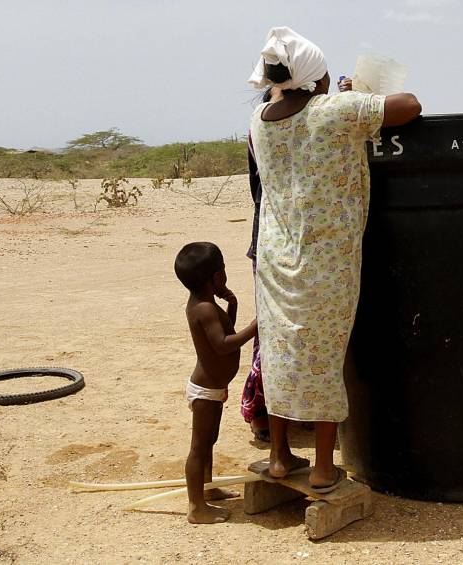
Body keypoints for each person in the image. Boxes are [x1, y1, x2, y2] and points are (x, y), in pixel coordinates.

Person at [247, 27, 422, 492]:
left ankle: (280, 455)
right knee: (324, 358)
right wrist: (354, 94)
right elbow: (409, 105)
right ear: (316, 76)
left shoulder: (259, 119)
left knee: (282, 354)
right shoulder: (337, 111)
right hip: (326, 262)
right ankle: (324, 465)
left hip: (275, 257)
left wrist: (339, 96)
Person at [174, 242, 258, 523]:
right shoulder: (205, 309)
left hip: (213, 388)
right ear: (217, 277)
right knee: (199, 446)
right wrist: (255, 327)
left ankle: (207, 490)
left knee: (210, 439)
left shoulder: (206, 305)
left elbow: (225, 330)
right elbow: (223, 344)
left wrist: (232, 304)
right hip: (205, 391)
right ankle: (196, 507)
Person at [240, 86, 282, 443]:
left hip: (275, 241)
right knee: (270, 334)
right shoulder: (266, 126)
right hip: (271, 241)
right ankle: (261, 410)